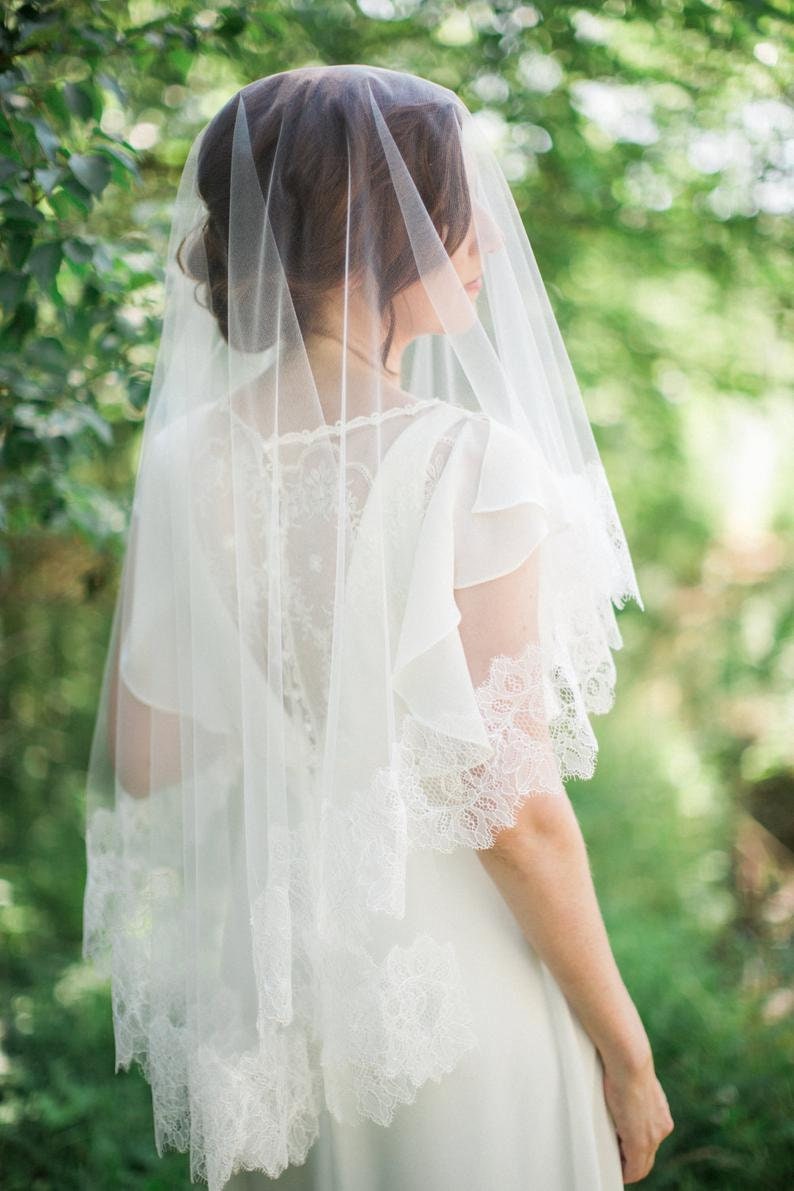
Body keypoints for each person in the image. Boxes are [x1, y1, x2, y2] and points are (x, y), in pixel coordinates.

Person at [81, 65, 673, 1190]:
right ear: (377, 231)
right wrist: (628, 1053)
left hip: (277, 996)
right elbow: (514, 816)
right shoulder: (465, 461)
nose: (484, 247)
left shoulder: (183, 459)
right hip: (444, 1002)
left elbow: (143, 755)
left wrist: (303, 718)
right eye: (457, 215)